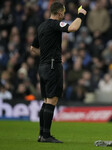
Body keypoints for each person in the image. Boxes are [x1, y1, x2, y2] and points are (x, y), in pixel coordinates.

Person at [30, 2, 87, 143]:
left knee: (45, 101)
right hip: (52, 66)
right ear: (59, 13)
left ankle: (42, 135)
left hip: (42, 66)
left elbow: (33, 48)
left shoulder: (41, 26)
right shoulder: (54, 24)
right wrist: (81, 14)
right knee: (52, 100)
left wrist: (46, 54)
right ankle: (46, 136)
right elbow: (73, 27)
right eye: (63, 13)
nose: (63, 16)